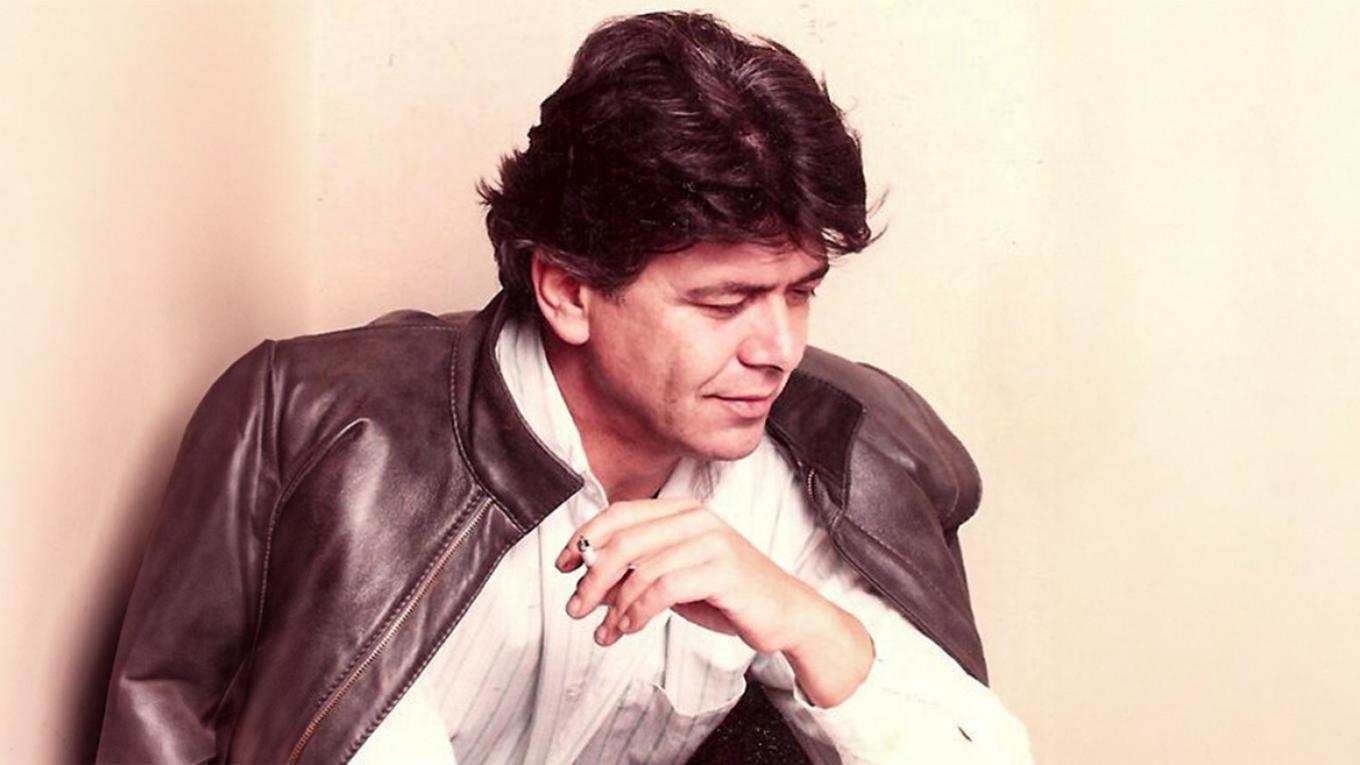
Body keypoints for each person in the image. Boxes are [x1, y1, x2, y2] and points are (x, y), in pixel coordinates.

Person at [97, 11, 1032, 764]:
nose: (779, 348)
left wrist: (802, 619)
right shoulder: (333, 440)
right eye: (725, 302)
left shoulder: (825, 456)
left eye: (800, 293)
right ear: (568, 291)